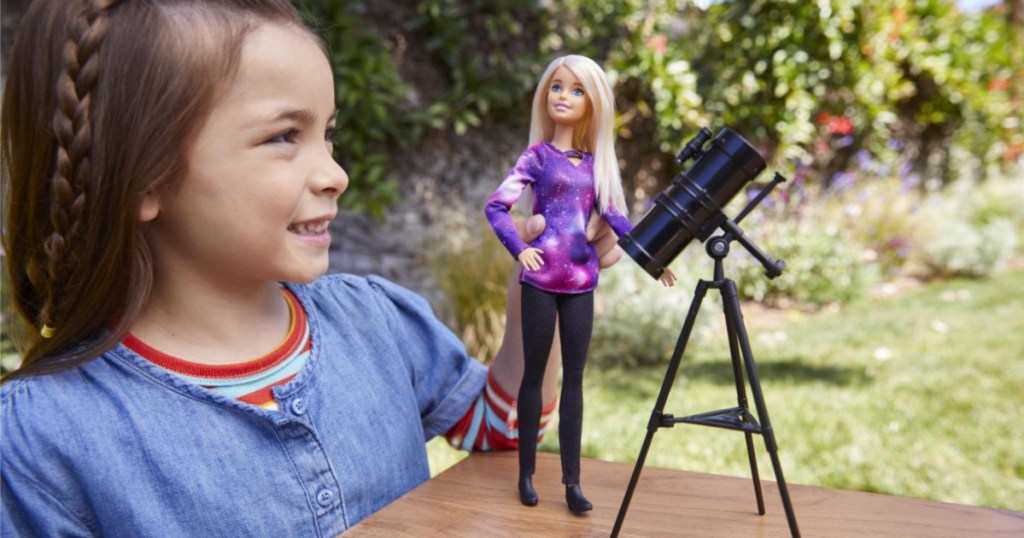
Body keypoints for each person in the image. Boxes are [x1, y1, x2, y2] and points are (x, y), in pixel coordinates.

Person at [0, 1, 623, 535]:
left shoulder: (377, 320)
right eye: (283, 137)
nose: (335, 174)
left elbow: (500, 429)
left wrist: (535, 295)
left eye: (328, 133)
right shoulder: (41, 441)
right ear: (141, 178)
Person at [485, 55, 675, 514]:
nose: (563, 96)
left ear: (593, 103)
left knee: (575, 382)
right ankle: (526, 474)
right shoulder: (537, 157)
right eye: (556, 87)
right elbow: (497, 207)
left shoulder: (596, 166)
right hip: (540, 278)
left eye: (575, 90)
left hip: (581, 283)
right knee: (534, 377)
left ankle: (572, 482)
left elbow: (618, 221)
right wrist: (519, 248)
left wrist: (655, 259)